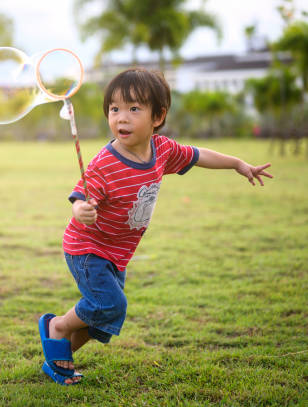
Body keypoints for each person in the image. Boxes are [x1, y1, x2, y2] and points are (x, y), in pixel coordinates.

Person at [38, 67, 273, 385]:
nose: (122, 118)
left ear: (158, 116)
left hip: (116, 253)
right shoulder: (104, 163)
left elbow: (199, 154)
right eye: (115, 109)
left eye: (134, 109)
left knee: (106, 319)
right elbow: (81, 194)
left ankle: (60, 355)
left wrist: (238, 164)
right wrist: (81, 209)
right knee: (110, 303)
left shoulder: (161, 150)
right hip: (87, 248)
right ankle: (59, 327)